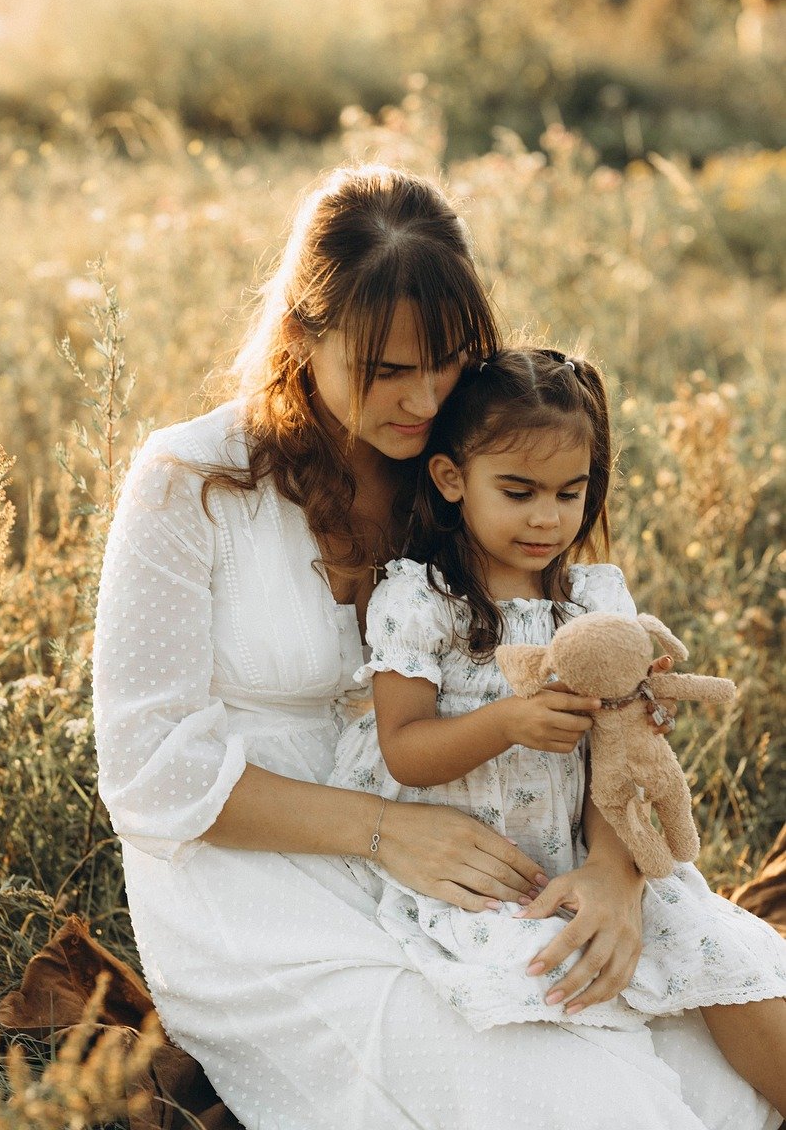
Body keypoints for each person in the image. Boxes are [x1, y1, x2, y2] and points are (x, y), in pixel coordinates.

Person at [92, 164, 781, 1130]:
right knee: (575, 1099)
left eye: (447, 359)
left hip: (500, 827)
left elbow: (598, 697)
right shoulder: (189, 483)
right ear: (303, 335)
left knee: (728, 1080)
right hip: (260, 874)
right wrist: (385, 829)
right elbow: (150, 771)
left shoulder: (467, 470)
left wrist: (616, 875)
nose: (421, 397)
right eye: (384, 370)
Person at [328, 347, 786, 1097]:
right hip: (478, 869)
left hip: (593, 845)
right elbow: (404, 750)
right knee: (554, 1001)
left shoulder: (592, 600)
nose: (547, 518)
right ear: (451, 478)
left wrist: (611, 867)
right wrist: (506, 722)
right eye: (518, 492)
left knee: (726, 961)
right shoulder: (420, 600)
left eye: (569, 493)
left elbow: (618, 755)